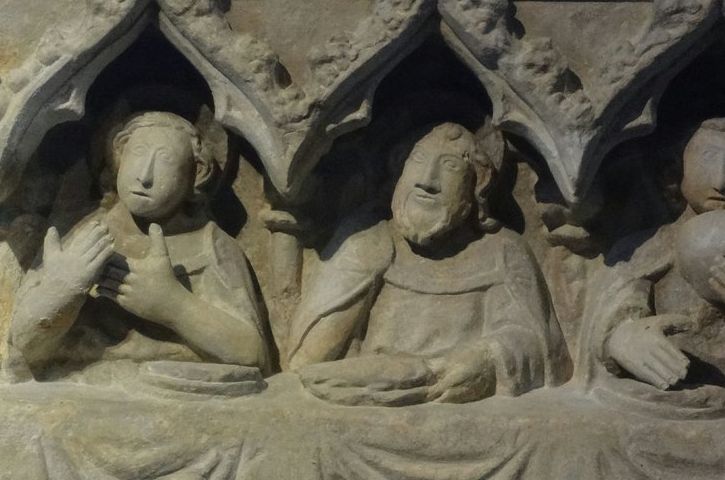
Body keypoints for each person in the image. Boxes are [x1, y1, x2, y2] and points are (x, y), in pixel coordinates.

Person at [288, 121, 566, 405]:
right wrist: (364, 260)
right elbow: (308, 360)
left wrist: (487, 359)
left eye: (450, 166)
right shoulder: (368, 242)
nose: (427, 182)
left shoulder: (502, 251)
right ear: (399, 171)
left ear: (476, 186)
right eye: (418, 160)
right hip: (371, 401)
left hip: (466, 408)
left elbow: (543, 346)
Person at [7, 111, 268, 381]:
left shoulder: (210, 244)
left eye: (166, 160)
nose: (145, 176)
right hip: (85, 390)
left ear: (196, 174)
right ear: (119, 157)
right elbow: (24, 347)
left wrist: (174, 305)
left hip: (182, 393)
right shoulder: (85, 233)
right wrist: (61, 290)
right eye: (139, 153)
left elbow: (253, 354)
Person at [580, 117, 725, 393]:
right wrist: (622, 337)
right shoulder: (646, 247)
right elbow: (613, 312)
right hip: (667, 395)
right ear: (676, 172)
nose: (721, 180)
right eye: (707, 159)